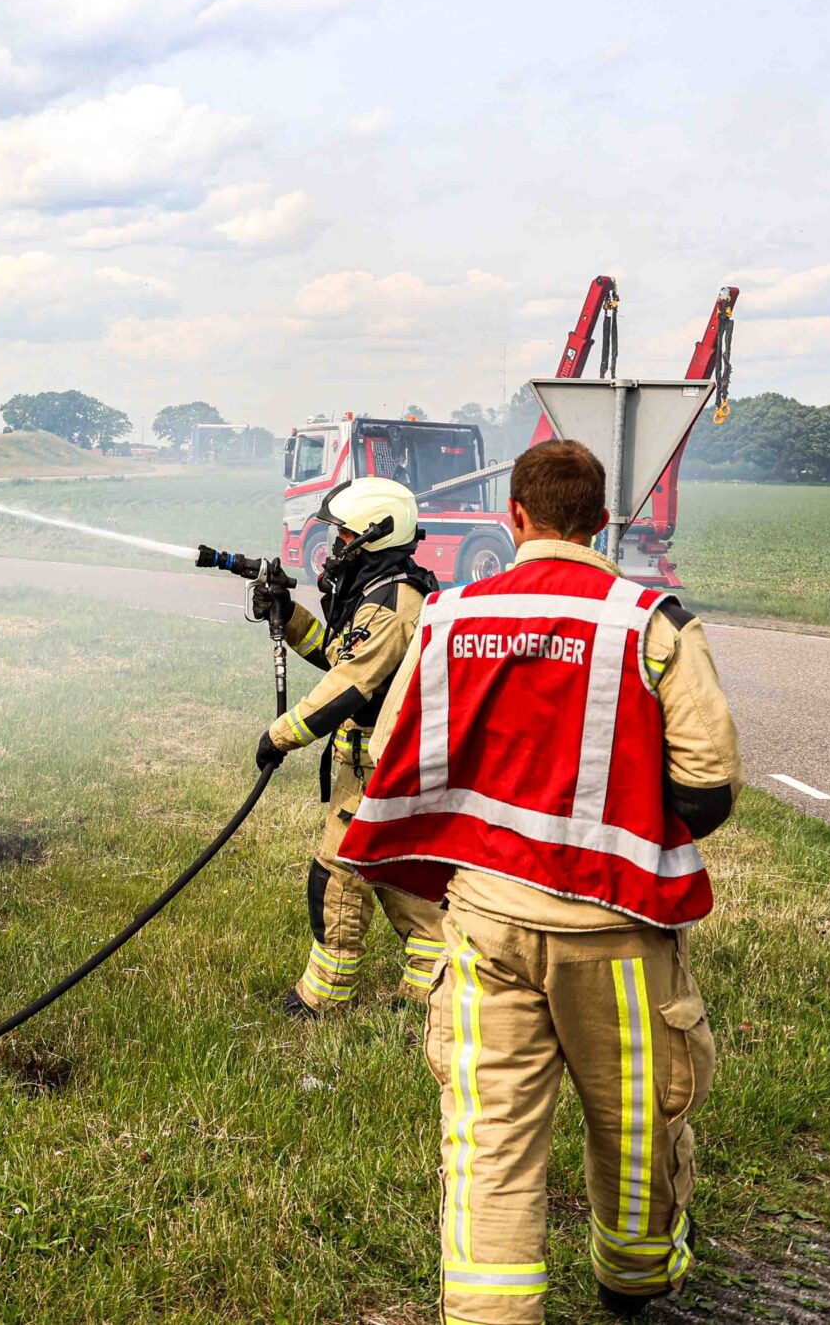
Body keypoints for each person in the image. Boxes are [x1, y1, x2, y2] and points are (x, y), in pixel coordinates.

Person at [338, 439, 739, 1322]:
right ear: (602, 521)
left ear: (513, 517)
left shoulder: (448, 620)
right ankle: (631, 1281)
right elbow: (708, 788)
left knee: (490, 1139)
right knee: (638, 1118)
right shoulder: (651, 623)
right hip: (619, 933)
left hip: (484, 925)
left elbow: (388, 754)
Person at [251, 476, 447, 1015]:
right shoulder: (381, 589)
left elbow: (349, 687)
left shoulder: (391, 603)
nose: (336, 545)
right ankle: (434, 982)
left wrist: (280, 735)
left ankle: (324, 998)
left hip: (380, 763)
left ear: (370, 534)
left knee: (338, 873)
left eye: (341, 534)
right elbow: (340, 656)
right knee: (395, 870)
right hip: (380, 760)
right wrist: (288, 617)